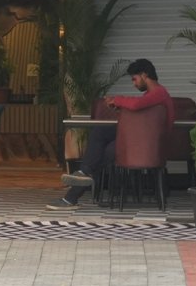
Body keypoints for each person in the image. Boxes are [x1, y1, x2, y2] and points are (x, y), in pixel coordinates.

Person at [48, 58, 173, 210]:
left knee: (101, 145)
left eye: (134, 79)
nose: (134, 84)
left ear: (144, 75)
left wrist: (117, 100)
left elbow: (136, 105)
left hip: (148, 146)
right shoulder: (152, 95)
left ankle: (76, 187)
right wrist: (119, 108)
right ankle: (78, 182)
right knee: (102, 142)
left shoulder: (159, 93)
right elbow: (139, 115)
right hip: (141, 143)